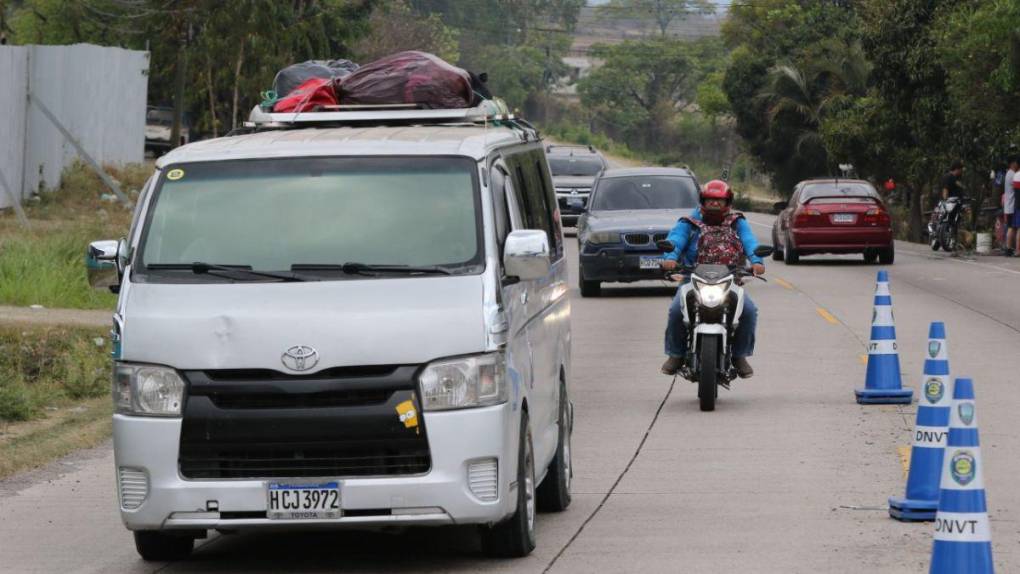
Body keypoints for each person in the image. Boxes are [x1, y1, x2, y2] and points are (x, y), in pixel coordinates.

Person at [660, 180, 764, 378]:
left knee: (749, 311)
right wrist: (670, 259)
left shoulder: (737, 222)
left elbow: (750, 241)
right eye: (710, 200)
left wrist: (757, 261)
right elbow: (675, 241)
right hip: (692, 277)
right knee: (675, 311)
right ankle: (675, 354)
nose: (715, 205)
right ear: (702, 201)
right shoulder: (688, 223)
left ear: (728, 202)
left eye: (720, 201)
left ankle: (739, 356)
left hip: (729, 278)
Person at [1004, 156, 1018, 256]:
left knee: (1011, 227)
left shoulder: (1009, 173)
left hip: (1009, 204)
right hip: (1012, 205)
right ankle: (1008, 248)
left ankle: (1009, 248)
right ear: (1013, 163)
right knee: (1011, 227)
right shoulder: (1012, 174)